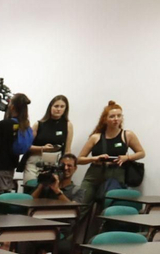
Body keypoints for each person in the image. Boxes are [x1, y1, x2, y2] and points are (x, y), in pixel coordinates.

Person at [72, 101, 146, 244]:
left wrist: (127, 157)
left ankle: (102, 243)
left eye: (119, 116)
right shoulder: (96, 137)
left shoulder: (127, 135)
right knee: (80, 207)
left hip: (116, 174)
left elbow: (141, 153)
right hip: (95, 173)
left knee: (108, 210)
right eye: (112, 116)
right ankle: (66, 242)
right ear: (105, 119)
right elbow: (79, 159)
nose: (116, 119)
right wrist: (95, 158)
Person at [0, 92, 31, 194]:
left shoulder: (5, 124)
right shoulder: (23, 124)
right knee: (3, 195)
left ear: (12, 107)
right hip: (10, 168)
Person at [23, 95, 72, 183]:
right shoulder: (39, 124)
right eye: (56, 106)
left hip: (54, 162)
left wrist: (66, 166)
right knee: (31, 187)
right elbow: (26, 146)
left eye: (62, 107)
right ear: (50, 107)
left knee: (50, 190)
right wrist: (43, 148)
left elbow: (67, 150)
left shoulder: (67, 125)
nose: (59, 109)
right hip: (35, 161)